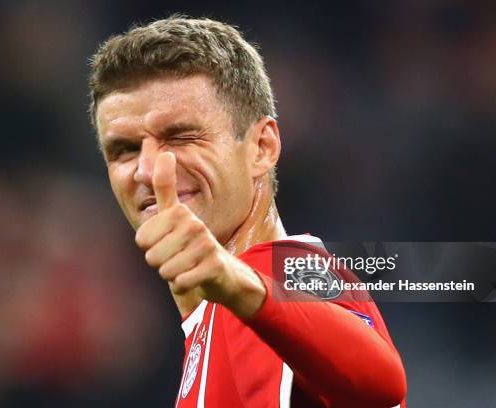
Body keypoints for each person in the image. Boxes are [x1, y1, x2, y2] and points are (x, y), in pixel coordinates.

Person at [88, 15, 406, 407]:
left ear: (261, 148)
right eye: (125, 150)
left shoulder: (282, 270)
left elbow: (380, 384)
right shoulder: (216, 316)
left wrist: (236, 282)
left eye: (182, 137)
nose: (149, 171)